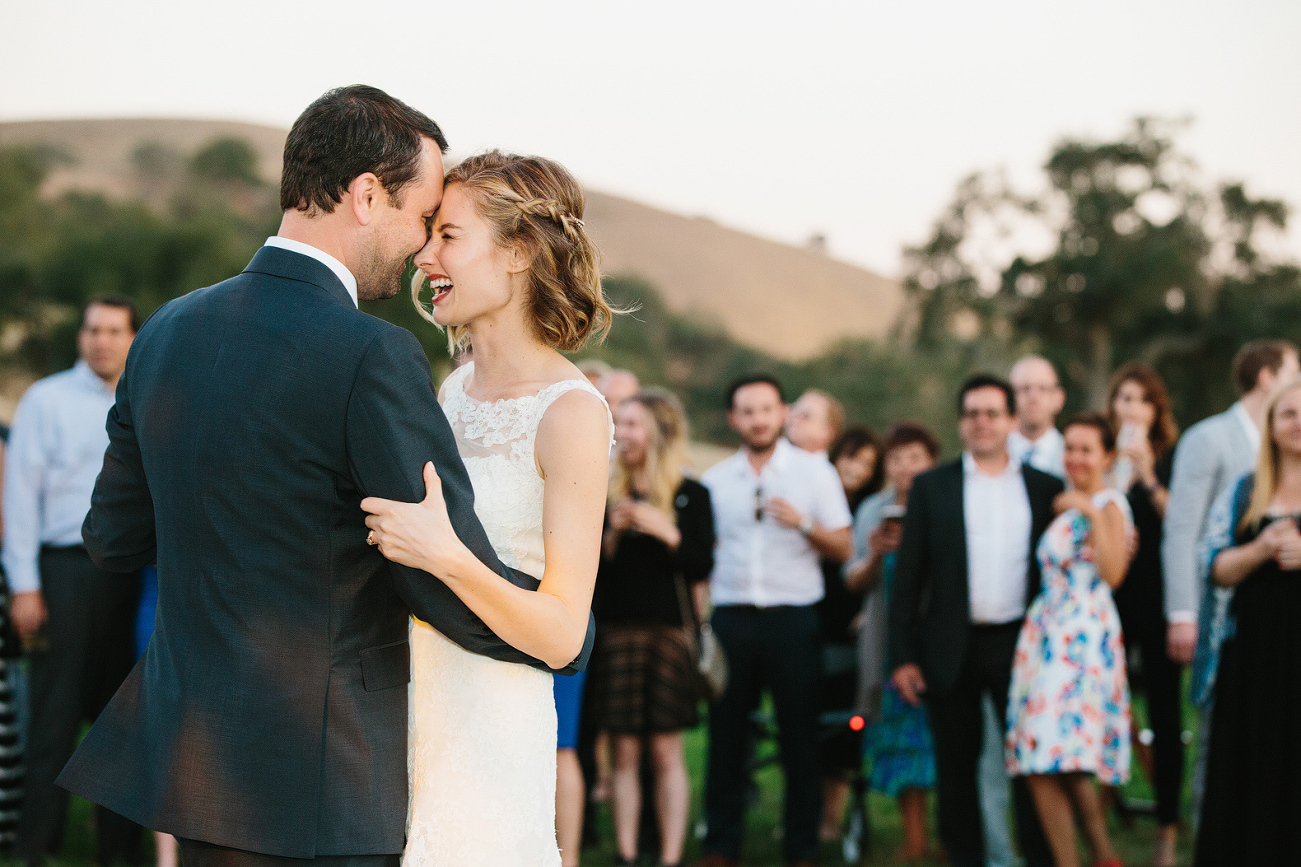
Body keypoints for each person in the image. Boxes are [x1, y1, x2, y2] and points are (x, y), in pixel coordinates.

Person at [60, 87, 595, 867]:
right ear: (366, 194)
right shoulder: (370, 353)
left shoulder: (168, 329)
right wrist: (563, 640)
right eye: (421, 219)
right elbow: (433, 577)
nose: (420, 249)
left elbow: (113, 537)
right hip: (322, 777)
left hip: (198, 766)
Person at [361, 149, 614, 867]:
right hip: (408, 713)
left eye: (448, 234)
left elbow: (564, 633)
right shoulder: (450, 389)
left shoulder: (570, 413)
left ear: (518, 252)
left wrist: (442, 552)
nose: (423, 255)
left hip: (494, 727)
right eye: (428, 232)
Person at [888, 374, 1057, 867]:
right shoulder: (930, 487)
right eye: (972, 414)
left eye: (992, 413)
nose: (982, 422)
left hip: (1020, 644)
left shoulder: (1044, 487)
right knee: (956, 767)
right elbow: (908, 581)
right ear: (961, 423)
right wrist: (903, 657)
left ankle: (1037, 857)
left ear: (1009, 420)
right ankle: (964, 857)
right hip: (949, 644)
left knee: (1030, 763)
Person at [2, 297, 142, 867]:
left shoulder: (147, 398)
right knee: (53, 716)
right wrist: (25, 585)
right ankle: (35, 846)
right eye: (92, 330)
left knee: (125, 719)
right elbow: (19, 498)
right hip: (62, 571)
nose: (102, 340)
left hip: (132, 575)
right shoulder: (46, 399)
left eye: (114, 330)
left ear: (133, 338)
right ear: (81, 337)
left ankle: (119, 852)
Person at [698, 375, 853, 867]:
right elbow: (708, 554)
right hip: (733, 619)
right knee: (725, 739)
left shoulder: (814, 473)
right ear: (733, 419)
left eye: (766, 409)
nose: (758, 419)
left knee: (799, 740)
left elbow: (846, 547)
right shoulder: (717, 480)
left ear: (782, 413)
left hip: (793, 622)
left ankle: (801, 849)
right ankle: (720, 845)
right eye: (747, 411)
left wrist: (803, 524)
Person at [1162, 338, 1299, 819]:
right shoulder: (1211, 441)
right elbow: (1185, 533)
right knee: (1232, 760)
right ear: (1268, 379)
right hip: (1240, 630)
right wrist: (1183, 613)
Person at [588, 388, 714, 867]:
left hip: (669, 638)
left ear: (659, 432)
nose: (622, 434)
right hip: (618, 635)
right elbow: (593, 572)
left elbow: (701, 564)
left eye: (633, 424)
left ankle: (668, 856)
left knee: (666, 753)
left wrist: (668, 531)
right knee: (622, 752)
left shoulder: (692, 495)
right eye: (619, 424)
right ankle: (624, 853)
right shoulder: (607, 491)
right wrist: (614, 532)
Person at [1005, 413, 1133, 867]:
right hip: (1045, 636)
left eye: (1087, 449)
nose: (1076, 457)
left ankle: (1089, 855)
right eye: (1071, 448)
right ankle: (1094, 856)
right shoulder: (1061, 498)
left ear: (1107, 456)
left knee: (1057, 754)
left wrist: (1090, 511)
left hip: (1083, 638)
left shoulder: (1110, 503)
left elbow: (1113, 573)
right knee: (1046, 756)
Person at [1193, 376, 1301, 864]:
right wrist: (1258, 549)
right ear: (1272, 426)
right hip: (1252, 659)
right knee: (1250, 769)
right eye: (1289, 414)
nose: (1299, 423)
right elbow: (1213, 567)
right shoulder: (1245, 491)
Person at [846, 422, 941, 864]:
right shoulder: (873, 510)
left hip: (936, 639)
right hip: (884, 643)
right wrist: (876, 554)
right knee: (901, 736)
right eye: (896, 458)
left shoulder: (944, 505)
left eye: (915, 457)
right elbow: (853, 580)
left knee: (942, 737)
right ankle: (914, 838)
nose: (905, 467)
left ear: (932, 462)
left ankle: (950, 834)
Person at [1105, 362, 1183, 866]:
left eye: (1140, 399)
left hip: (1159, 598)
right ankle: (1102, 816)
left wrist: (1148, 474)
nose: (1130, 407)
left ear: (1156, 410)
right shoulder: (1102, 455)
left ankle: (1168, 828)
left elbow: (1180, 521)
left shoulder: (1175, 458)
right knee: (1104, 707)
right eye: (1123, 398)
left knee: (1166, 711)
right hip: (1111, 598)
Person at [816, 424, 881, 841]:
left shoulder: (872, 512)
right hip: (810, 623)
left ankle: (832, 819)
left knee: (844, 728)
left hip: (850, 631)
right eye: (851, 457)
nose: (856, 468)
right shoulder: (818, 501)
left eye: (868, 464)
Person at [1007, 355, 1066, 478]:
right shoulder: (992, 455)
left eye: (1043, 389)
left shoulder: (1072, 457)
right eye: (1024, 389)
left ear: (1059, 398)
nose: (1033, 397)